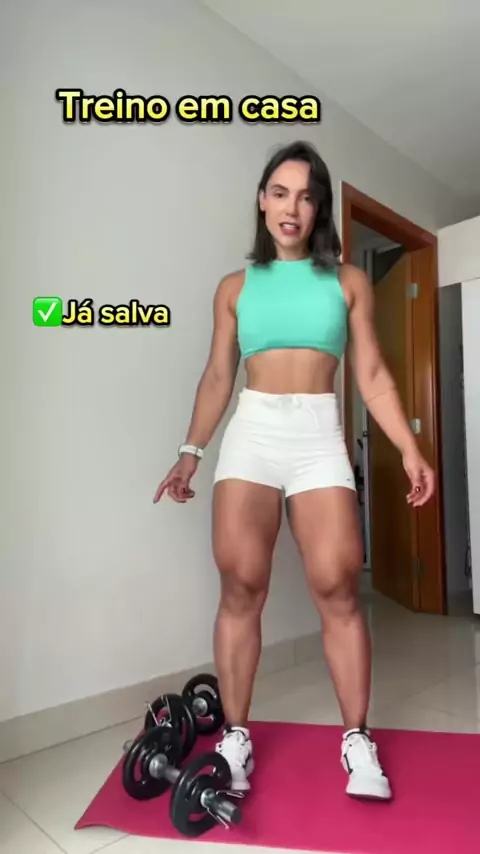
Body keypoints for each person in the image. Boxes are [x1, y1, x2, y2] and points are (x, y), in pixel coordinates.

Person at [153, 140, 435, 801]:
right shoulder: (235, 288)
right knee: (240, 585)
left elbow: (371, 375)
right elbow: (218, 376)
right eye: (280, 192)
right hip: (252, 433)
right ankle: (236, 735)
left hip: (317, 435)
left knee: (338, 586)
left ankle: (356, 739)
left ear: (319, 209)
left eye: (306, 197)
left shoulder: (348, 282)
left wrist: (409, 448)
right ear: (262, 200)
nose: (292, 207)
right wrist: (191, 452)